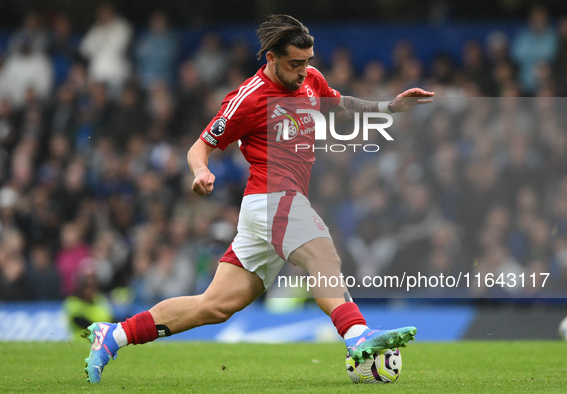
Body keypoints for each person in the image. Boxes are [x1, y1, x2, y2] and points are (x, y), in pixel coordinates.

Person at [83, 15, 434, 383]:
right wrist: (200, 171)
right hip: (271, 198)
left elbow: (338, 104)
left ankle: (114, 335)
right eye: (294, 64)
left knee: (215, 306)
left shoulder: (310, 80)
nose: (303, 71)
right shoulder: (248, 98)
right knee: (323, 254)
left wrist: (388, 108)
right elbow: (200, 146)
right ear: (270, 58)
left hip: (271, 210)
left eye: (308, 62)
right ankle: (357, 335)